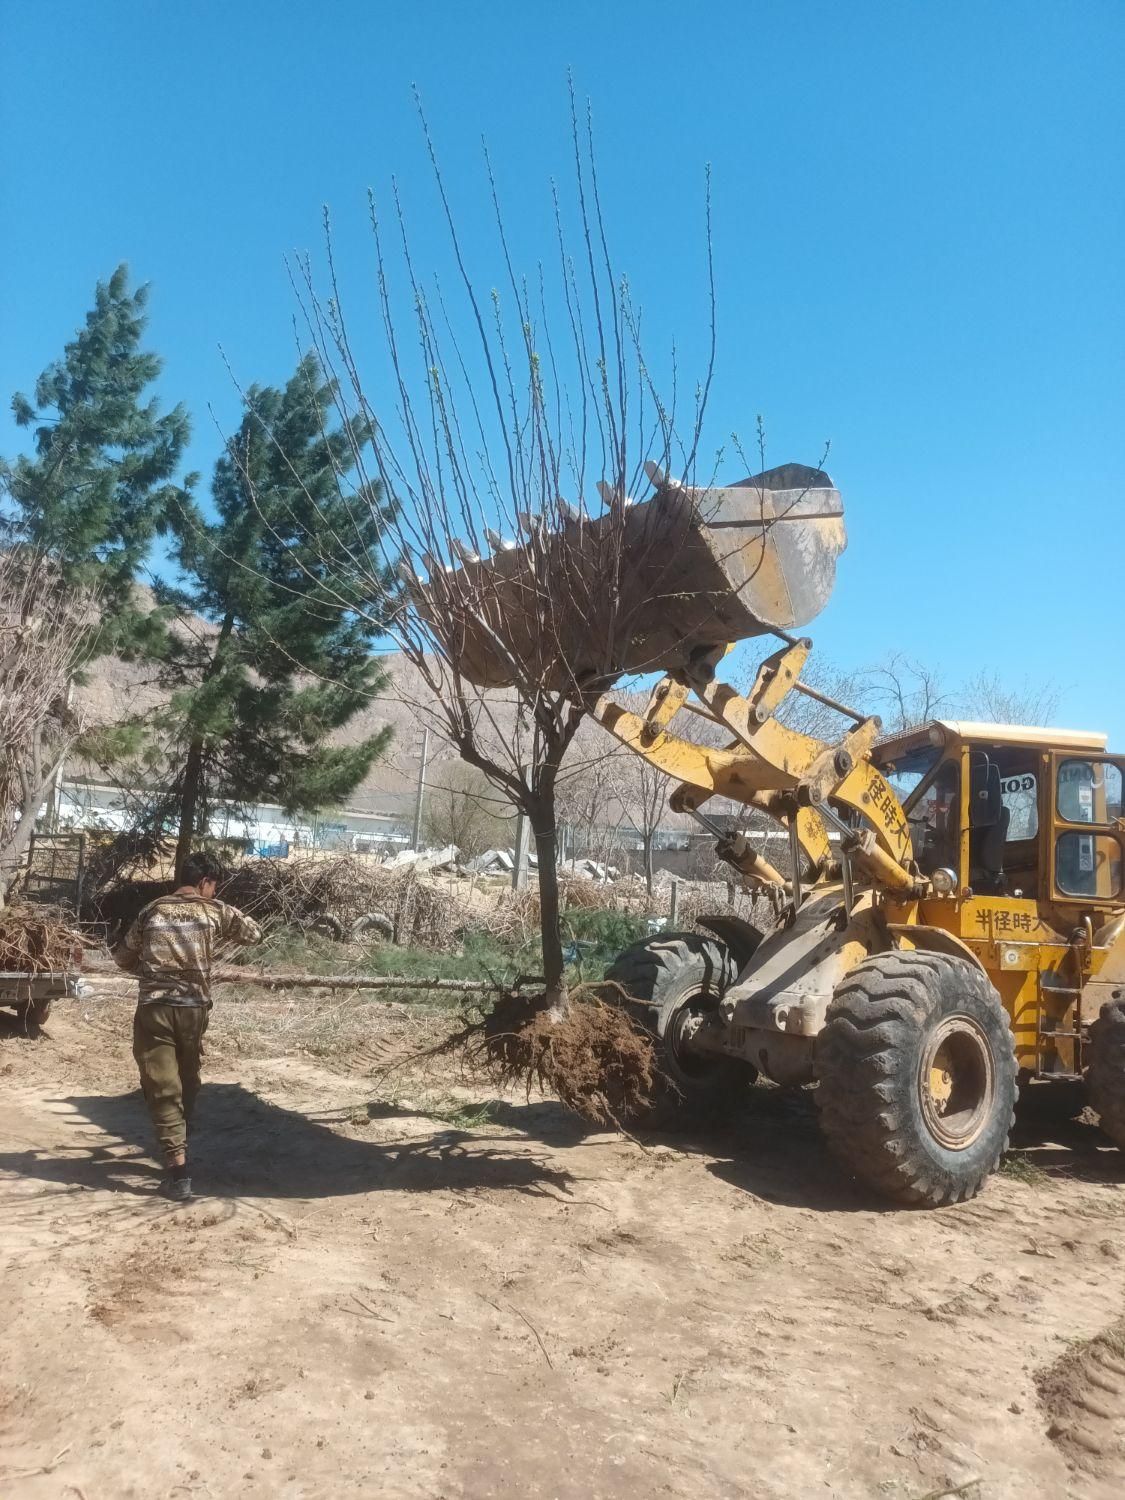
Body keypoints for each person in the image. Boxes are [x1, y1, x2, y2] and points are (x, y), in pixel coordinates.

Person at [114, 851, 262, 1201]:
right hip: (194, 1009)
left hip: (155, 1009)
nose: (213, 891)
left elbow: (122, 958)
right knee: (187, 1078)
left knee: (161, 1083)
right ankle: (180, 1146)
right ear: (204, 882)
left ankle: (178, 1170)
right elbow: (255, 933)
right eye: (214, 885)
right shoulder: (214, 911)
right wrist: (215, 934)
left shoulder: (152, 910)